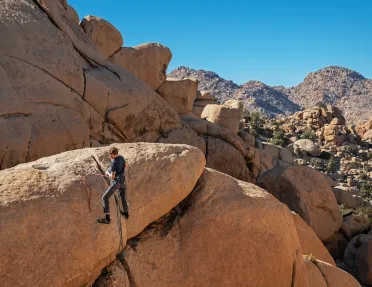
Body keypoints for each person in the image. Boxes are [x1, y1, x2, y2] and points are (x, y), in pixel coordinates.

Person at [97, 147, 129, 225]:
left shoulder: (114, 162)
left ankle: (107, 219)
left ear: (114, 154)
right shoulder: (121, 157)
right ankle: (126, 214)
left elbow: (112, 177)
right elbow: (126, 166)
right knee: (123, 198)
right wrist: (120, 172)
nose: (110, 156)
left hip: (116, 183)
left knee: (104, 197)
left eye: (111, 155)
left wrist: (108, 173)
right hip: (122, 181)